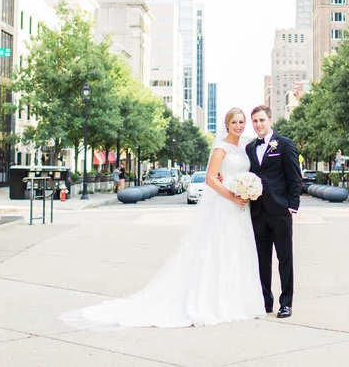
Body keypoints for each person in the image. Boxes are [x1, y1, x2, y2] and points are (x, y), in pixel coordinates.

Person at [61, 107, 264, 329]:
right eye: (234, 122)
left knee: (238, 251)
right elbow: (210, 179)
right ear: (227, 124)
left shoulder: (244, 147)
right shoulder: (220, 148)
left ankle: (238, 300)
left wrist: (246, 190)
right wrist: (232, 196)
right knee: (220, 251)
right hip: (226, 206)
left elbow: (234, 174)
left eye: (241, 122)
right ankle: (218, 302)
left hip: (241, 209)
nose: (238, 126)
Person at [246, 104, 302, 319]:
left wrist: (292, 205)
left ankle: (286, 303)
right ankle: (265, 301)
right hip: (257, 211)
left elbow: (295, 177)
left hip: (280, 211)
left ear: (270, 120)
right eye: (255, 121)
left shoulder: (285, 144)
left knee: (284, 258)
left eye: (262, 120)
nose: (259, 124)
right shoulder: (250, 148)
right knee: (262, 259)